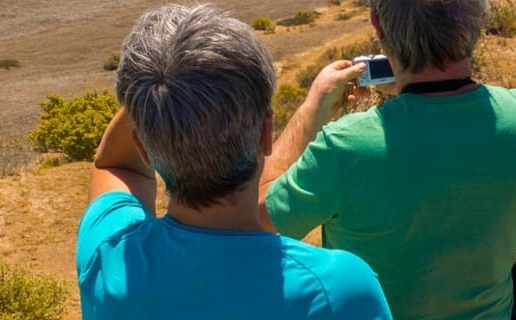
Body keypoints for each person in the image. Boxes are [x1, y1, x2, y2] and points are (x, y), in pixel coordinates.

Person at [76, 3, 392, 319]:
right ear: (266, 134)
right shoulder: (337, 293)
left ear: (144, 149)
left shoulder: (109, 260)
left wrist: (159, 84)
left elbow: (116, 165)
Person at [260, 0, 516, 318]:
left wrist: (311, 111)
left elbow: (254, 222)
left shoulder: (344, 147)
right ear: (480, 19)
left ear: (377, 24)